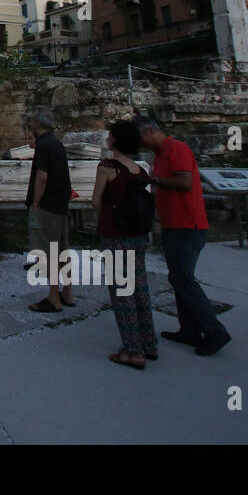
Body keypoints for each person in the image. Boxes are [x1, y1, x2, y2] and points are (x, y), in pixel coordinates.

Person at [133, 114, 231, 356]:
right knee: (178, 278)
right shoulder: (160, 154)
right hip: (173, 224)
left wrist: (153, 179)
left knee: (185, 279)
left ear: (149, 132)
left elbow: (184, 182)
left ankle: (215, 331)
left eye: (140, 138)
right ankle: (189, 329)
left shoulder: (177, 149)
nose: (140, 144)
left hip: (187, 225)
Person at [92, 120, 158, 369]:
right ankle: (149, 343)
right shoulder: (140, 170)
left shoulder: (108, 167)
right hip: (137, 236)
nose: (108, 138)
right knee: (140, 289)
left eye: (111, 135)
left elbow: (96, 200)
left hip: (115, 235)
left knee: (122, 292)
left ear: (117, 140)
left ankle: (133, 350)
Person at [25, 107, 74, 313]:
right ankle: (68, 292)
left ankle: (54, 297)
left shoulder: (44, 146)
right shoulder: (55, 143)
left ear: (37, 123)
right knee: (62, 248)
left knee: (48, 252)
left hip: (46, 205)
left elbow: (42, 176)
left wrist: (36, 202)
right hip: (60, 203)